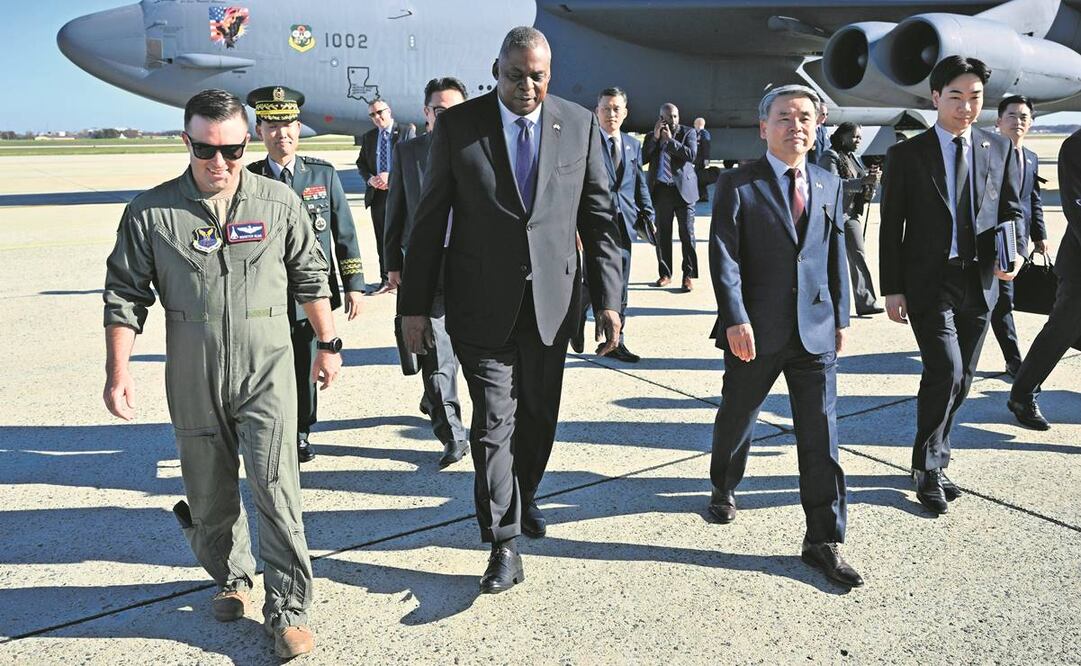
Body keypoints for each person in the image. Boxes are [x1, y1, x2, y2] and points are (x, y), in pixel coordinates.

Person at [102, 89, 341, 659]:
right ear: (187, 142)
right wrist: (118, 371)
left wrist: (329, 344)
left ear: (246, 142)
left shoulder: (277, 203)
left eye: (232, 151)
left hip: (268, 367)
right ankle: (232, 576)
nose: (220, 164)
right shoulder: (152, 213)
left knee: (277, 490)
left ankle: (288, 608)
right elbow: (124, 295)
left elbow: (311, 277)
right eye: (206, 150)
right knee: (208, 494)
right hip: (192, 371)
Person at [397, 26, 624, 594]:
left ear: (551, 73)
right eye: (515, 75)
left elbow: (600, 222)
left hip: (552, 305)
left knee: (539, 420)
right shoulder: (459, 126)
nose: (527, 86)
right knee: (494, 422)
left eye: (538, 76)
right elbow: (427, 224)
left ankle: (524, 498)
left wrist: (610, 301)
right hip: (481, 305)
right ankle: (503, 542)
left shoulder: (577, 124)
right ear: (496, 71)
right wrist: (414, 307)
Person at [707, 84, 861, 588]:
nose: (796, 125)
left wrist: (842, 313)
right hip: (755, 328)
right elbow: (724, 256)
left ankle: (823, 538)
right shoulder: (738, 184)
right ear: (763, 127)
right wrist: (734, 317)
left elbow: (834, 251)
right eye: (784, 117)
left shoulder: (827, 181)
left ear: (816, 126)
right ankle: (724, 484)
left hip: (814, 329)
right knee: (738, 414)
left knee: (821, 435)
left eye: (804, 118)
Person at [879, 56, 1023, 514]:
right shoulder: (907, 154)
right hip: (928, 281)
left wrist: (1013, 253)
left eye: (975, 97)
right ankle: (927, 467)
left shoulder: (996, 147)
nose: (966, 107)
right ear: (936, 97)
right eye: (956, 96)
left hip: (981, 281)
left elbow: (1011, 210)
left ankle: (936, 455)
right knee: (946, 370)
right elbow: (890, 226)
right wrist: (892, 287)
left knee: (964, 379)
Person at [246, 85, 364, 463]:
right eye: (273, 126)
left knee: (304, 367)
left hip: (311, 299)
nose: (283, 134)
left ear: (299, 128)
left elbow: (344, 233)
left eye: (290, 125)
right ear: (260, 131)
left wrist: (354, 286)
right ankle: (269, 428)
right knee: (264, 369)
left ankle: (299, 431)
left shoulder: (322, 175)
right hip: (264, 296)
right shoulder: (249, 179)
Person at [383, 76, 471, 467]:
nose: (445, 117)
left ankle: (447, 408)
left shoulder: (479, 148)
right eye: (438, 110)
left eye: (453, 110)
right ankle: (452, 434)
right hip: (426, 267)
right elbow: (395, 210)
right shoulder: (409, 153)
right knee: (436, 356)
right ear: (426, 113)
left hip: (472, 267)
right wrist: (393, 265)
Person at [1007, 129, 1081, 430]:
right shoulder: (1076, 146)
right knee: (1060, 331)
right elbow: (1076, 206)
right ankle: (1022, 394)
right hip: (1079, 266)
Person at [592, 86, 655, 363]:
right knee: (589, 284)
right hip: (595, 225)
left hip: (625, 224)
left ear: (625, 112)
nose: (611, 114)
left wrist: (648, 213)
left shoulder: (632, 145)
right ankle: (577, 331)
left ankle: (618, 341)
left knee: (622, 286)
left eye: (616, 108)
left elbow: (639, 182)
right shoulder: (589, 142)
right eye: (606, 108)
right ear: (597, 112)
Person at [993, 95, 1049, 377]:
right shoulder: (986, 155)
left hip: (1021, 240)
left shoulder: (1030, 157)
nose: (1018, 121)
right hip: (993, 240)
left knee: (1006, 298)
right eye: (1012, 116)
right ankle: (1014, 359)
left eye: (1024, 117)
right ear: (999, 121)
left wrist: (1040, 235)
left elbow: (1033, 199)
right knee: (1003, 301)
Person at [818, 122, 884, 316]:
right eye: (855, 137)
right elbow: (832, 183)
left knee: (858, 256)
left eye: (860, 137)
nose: (858, 141)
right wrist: (862, 181)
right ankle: (826, 303)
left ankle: (866, 303)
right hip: (833, 216)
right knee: (831, 261)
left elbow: (862, 187)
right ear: (843, 137)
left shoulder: (852, 157)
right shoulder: (830, 156)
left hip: (851, 215)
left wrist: (872, 182)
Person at [356, 98, 415, 293]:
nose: (377, 117)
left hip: (402, 193)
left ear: (389, 111)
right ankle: (386, 280)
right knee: (382, 238)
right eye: (372, 114)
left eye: (380, 112)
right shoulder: (369, 137)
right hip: (378, 196)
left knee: (404, 236)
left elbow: (412, 160)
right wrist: (370, 179)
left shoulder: (406, 131)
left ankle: (406, 278)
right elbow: (361, 164)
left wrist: (393, 176)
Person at [643, 102, 698, 292]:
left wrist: (671, 142)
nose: (672, 120)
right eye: (668, 117)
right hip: (662, 192)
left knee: (687, 235)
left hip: (684, 191)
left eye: (675, 116)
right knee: (663, 235)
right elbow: (643, 159)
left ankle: (688, 275)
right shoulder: (652, 136)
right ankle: (665, 274)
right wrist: (657, 138)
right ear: (661, 118)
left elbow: (691, 155)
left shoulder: (688, 133)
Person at [693, 116, 713, 202]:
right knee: (699, 178)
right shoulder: (698, 133)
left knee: (698, 178)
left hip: (700, 160)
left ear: (698, 124)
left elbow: (706, 146)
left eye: (695, 124)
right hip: (697, 160)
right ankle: (702, 195)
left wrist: (706, 159)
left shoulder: (704, 133)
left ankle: (703, 195)